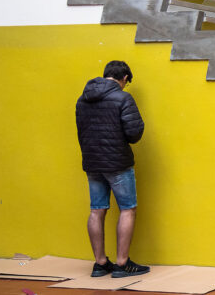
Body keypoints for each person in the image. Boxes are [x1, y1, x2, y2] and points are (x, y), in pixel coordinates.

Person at [75, 60, 149, 279]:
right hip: (117, 163)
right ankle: (122, 264)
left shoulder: (82, 99)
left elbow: (81, 131)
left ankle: (100, 264)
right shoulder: (123, 97)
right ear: (124, 78)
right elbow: (134, 134)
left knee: (96, 210)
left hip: (92, 161)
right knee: (127, 209)